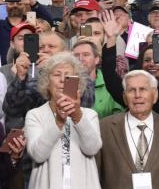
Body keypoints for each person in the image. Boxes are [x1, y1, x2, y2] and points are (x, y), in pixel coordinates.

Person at [95, 70, 159, 189]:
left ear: (155, 95)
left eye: (143, 89)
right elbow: (95, 176)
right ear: (124, 97)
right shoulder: (104, 128)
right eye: (131, 90)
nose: (137, 95)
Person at [25, 53, 102, 189]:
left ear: (77, 83)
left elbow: (92, 149)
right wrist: (59, 122)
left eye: (68, 76)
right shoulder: (35, 115)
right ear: (47, 83)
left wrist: (77, 116)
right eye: (56, 75)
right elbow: (38, 155)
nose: (62, 80)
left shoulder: (89, 115)